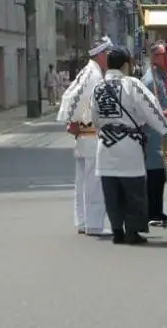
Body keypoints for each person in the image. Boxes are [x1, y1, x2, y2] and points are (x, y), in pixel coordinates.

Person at [92, 46, 167, 245]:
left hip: (105, 145)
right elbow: (151, 107)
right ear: (126, 64)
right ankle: (132, 231)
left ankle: (117, 230)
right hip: (128, 145)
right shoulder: (131, 84)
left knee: (112, 192)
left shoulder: (98, 88)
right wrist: (165, 128)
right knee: (134, 191)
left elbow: (95, 119)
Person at [58, 36, 112, 236]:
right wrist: (71, 120)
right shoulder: (94, 75)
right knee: (94, 182)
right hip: (90, 133)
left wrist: (71, 120)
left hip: (84, 134)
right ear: (101, 54)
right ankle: (94, 224)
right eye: (108, 54)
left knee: (82, 182)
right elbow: (74, 97)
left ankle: (82, 221)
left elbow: (70, 95)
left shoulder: (89, 71)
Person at [141, 42, 167, 223]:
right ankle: (152, 211)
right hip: (152, 133)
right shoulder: (151, 80)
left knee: (159, 174)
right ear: (155, 58)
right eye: (164, 55)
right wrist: (165, 112)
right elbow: (150, 110)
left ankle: (157, 210)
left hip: (160, 132)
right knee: (154, 172)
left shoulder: (161, 77)